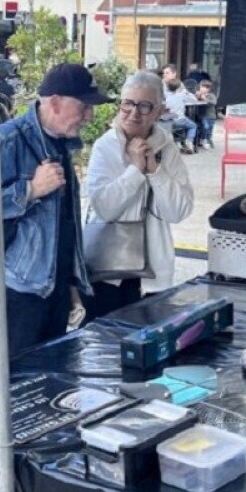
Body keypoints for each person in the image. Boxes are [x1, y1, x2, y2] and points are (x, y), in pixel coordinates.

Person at [0, 63, 111, 356]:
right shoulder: (7, 139)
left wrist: (72, 281)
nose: (89, 116)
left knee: (48, 376)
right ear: (55, 102)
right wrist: (30, 190)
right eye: (84, 107)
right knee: (10, 378)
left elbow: (63, 222)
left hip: (55, 285)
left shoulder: (63, 143)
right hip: (21, 287)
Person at [83, 71, 194, 319]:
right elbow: (105, 208)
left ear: (159, 111)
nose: (134, 113)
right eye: (128, 104)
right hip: (107, 272)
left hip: (153, 274)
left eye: (144, 106)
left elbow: (179, 211)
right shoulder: (106, 146)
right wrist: (135, 170)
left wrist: (154, 169)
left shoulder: (167, 147)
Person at [162, 77, 200, 154]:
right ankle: (189, 142)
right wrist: (187, 92)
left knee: (178, 128)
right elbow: (194, 100)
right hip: (180, 120)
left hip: (169, 122)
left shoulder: (165, 96)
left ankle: (178, 143)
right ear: (179, 87)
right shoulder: (181, 95)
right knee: (193, 126)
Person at [195, 78, 217, 148]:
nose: (202, 89)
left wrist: (205, 99)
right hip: (202, 115)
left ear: (208, 89)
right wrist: (196, 96)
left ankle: (208, 140)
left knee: (209, 129)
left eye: (205, 87)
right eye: (201, 87)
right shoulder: (198, 95)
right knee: (205, 127)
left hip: (210, 116)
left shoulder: (211, 95)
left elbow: (214, 103)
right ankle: (203, 139)